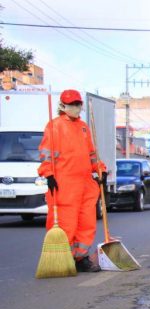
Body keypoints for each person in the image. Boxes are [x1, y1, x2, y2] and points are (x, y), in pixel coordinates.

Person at [38, 89, 107, 273]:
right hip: (64, 184)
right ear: (63, 106)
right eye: (73, 105)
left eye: (78, 104)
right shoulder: (54, 126)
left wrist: (100, 169)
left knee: (86, 223)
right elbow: (46, 154)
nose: (76, 108)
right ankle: (63, 259)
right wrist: (49, 174)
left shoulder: (83, 127)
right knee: (66, 223)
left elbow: (91, 154)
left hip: (85, 184)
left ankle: (81, 257)